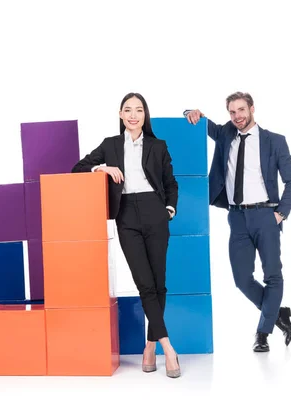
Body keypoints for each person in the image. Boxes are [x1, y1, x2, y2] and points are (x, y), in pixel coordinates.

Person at [72, 92, 181, 378]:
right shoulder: (110, 145)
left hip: (155, 211)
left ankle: (149, 347)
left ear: (145, 115)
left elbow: (171, 183)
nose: (133, 115)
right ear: (121, 115)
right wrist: (103, 168)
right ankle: (168, 349)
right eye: (128, 110)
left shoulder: (158, 146)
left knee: (159, 284)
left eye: (139, 110)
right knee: (145, 283)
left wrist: (168, 210)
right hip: (127, 216)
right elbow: (78, 168)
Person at [184, 92, 291, 352]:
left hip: (266, 215)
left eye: (241, 110)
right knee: (241, 279)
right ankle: (278, 314)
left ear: (252, 109)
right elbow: (203, 123)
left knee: (272, 275)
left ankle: (263, 332)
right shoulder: (226, 134)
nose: (237, 116)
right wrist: (190, 111)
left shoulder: (275, 141)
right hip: (236, 217)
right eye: (232, 112)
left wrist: (280, 214)